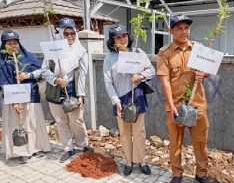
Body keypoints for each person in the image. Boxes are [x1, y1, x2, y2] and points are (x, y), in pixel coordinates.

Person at [157, 15, 210, 183]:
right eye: (179, 28)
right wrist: (171, 105)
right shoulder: (165, 53)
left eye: (186, 28)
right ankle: (177, 174)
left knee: (200, 142)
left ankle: (201, 174)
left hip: (197, 104)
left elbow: (208, 69)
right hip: (175, 106)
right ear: (171, 31)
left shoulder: (198, 49)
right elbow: (165, 81)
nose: (184, 31)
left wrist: (203, 74)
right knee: (175, 143)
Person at [103, 24, 155, 176]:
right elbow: (108, 81)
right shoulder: (109, 58)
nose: (122, 39)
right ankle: (128, 161)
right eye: (118, 37)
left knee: (139, 132)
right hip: (120, 100)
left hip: (137, 96)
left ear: (129, 36)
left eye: (124, 35)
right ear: (113, 41)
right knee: (125, 133)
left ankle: (141, 161)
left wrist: (141, 76)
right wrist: (115, 101)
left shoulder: (138, 52)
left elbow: (151, 70)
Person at [42, 18, 93, 163]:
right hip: (54, 91)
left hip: (73, 90)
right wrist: (56, 79)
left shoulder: (81, 52)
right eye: (66, 34)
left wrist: (81, 95)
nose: (70, 37)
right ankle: (68, 149)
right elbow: (44, 70)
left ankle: (83, 144)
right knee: (61, 121)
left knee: (77, 120)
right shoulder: (52, 51)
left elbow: (83, 74)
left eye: (72, 33)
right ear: (60, 35)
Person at [0, 29, 51, 164]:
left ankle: (37, 147)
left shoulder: (28, 57)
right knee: (17, 123)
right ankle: (20, 151)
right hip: (12, 98)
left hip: (31, 95)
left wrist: (28, 75)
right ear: (4, 45)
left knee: (33, 122)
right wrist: (14, 102)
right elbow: (3, 82)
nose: (12, 46)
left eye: (15, 43)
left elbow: (42, 70)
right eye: (9, 43)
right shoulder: (2, 61)